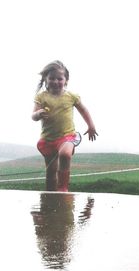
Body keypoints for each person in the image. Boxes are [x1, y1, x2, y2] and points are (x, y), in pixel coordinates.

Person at [32, 60, 98, 192]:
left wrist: (91, 126)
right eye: (52, 78)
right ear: (46, 79)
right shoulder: (41, 97)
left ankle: (63, 188)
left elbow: (84, 110)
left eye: (59, 78)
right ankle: (50, 194)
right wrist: (38, 114)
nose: (56, 81)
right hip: (48, 139)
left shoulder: (71, 96)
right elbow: (33, 116)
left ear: (66, 80)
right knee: (51, 171)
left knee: (65, 155)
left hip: (68, 136)